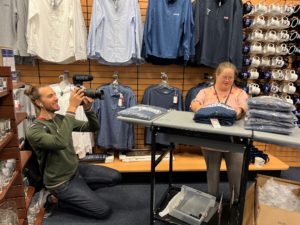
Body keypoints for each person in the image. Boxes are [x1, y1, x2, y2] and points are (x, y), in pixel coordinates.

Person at [25, 85, 121, 219]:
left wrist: (87, 109)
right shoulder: (34, 130)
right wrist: (72, 107)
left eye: (54, 94)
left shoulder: (59, 119)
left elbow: (93, 127)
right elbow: (60, 142)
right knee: (103, 211)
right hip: (60, 183)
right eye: (50, 96)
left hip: (75, 170)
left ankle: (79, 192)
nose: (56, 98)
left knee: (115, 177)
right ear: (39, 103)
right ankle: (57, 200)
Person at [190, 62, 248, 201]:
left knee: (236, 174)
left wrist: (236, 113)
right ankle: (211, 202)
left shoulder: (240, 93)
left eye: (231, 77)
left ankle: (236, 203)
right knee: (212, 173)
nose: (228, 80)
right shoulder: (205, 92)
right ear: (216, 75)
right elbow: (194, 104)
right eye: (224, 77)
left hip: (234, 141)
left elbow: (242, 109)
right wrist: (206, 112)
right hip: (211, 140)